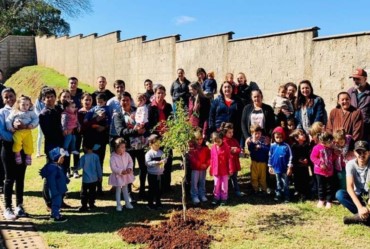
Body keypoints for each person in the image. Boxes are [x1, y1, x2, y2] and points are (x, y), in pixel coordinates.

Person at [110, 92, 146, 199]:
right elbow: (120, 131)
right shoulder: (118, 114)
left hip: (141, 145)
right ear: (120, 102)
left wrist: (144, 129)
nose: (125, 102)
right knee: (129, 169)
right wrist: (135, 131)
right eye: (123, 100)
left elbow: (144, 121)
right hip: (128, 147)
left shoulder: (138, 110)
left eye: (127, 100)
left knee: (143, 168)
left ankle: (143, 190)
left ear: (130, 100)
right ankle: (129, 193)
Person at [39, 87, 70, 209]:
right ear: (43, 100)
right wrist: (61, 132)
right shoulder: (44, 114)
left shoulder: (58, 109)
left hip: (63, 146)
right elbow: (48, 133)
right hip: (53, 148)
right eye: (47, 97)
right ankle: (49, 202)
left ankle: (60, 200)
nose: (50, 99)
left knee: (62, 174)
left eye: (52, 96)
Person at [0, 88, 28, 220]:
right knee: (9, 177)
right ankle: (8, 207)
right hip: (8, 148)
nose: (9, 99)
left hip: (22, 148)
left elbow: (30, 125)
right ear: (3, 99)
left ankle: (19, 205)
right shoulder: (1, 112)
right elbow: (1, 131)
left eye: (11, 96)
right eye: (6, 97)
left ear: (16, 96)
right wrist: (15, 135)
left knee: (20, 177)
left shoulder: (23, 110)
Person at [336, 140, 370, 226]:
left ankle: (359, 218)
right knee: (340, 194)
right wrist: (360, 207)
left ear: (369, 153)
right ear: (354, 152)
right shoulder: (350, 164)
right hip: (358, 195)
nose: (361, 155)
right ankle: (363, 215)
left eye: (364, 152)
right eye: (359, 152)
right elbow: (349, 187)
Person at [148, 84, 173, 192]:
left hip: (167, 138)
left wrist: (169, 133)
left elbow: (171, 121)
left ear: (165, 94)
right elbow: (149, 123)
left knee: (167, 161)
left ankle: (166, 186)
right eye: (158, 93)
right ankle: (156, 187)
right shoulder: (151, 107)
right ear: (155, 94)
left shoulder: (168, 106)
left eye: (162, 93)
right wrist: (154, 137)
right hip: (156, 139)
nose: (160, 95)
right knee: (157, 162)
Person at [84, 93, 111, 194]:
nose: (99, 103)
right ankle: (92, 186)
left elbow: (110, 119)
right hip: (92, 139)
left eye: (101, 102)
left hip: (101, 138)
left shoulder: (107, 109)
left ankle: (99, 186)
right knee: (91, 163)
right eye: (98, 101)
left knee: (100, 162)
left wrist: (105, 127)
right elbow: (87, 118)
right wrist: (89, 119)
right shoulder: (93, 109)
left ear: (105, 101)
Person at [6, 95, 39, 165]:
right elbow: (8, 120)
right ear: (19, 104)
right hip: (18, 131)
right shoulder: (15, 112)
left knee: (29, 143)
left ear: (29, 105)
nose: (25, 106)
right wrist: (10, 127)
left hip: (27, 131)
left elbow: (36, 119)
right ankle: (17, 154)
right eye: (23, 104)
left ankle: (28, 156)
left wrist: (32, 125)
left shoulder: (31, 113)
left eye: (27, 105)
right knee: (17, 142)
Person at [39, 147, 69, 222]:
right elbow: (52, 181)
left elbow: (61, 176)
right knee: (56, 204)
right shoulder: (53, 168)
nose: (63, 159)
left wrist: (66, 180)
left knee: (57, 203)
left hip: (58, 190)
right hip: (56, 191)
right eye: (62, 158)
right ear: (58, 158)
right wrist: (55, 192)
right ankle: (55, 216)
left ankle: (56, 214)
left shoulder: (58, 166)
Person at [310, 132, 336, 208]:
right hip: (319, 172)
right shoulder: (316, 148)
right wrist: (320, 163)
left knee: (329, 187)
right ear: (324, 142)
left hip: (329, 171)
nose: (332, 143)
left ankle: (329, 201)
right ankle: (321, 200)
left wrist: (336, 155)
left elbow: (331, 158)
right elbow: (313, 157)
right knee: (321, 187)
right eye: (330, 142)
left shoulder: (330, 149)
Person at [268, 127, 293, 202]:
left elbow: (291, 156)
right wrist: (270, 166)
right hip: (276, 168)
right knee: (278, 182)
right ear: (274, 137)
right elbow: (270, 156)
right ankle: (278, 194)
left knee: (285, 183)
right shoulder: (272, 146)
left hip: (284, 168)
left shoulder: (286, 146)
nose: (279, 139)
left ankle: (286, 196)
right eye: (277, 137)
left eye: (281, 137)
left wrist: (289, 167)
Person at [109, 138, 134, 211]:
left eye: (124, 147)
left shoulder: (127, 154)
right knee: (118, 190)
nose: (124, 148)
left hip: (125, 176)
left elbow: (130, 162)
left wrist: (129, 168)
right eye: (122, 147)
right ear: (117, 147)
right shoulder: (113, 157)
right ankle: (118, 205)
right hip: (118, 177)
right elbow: (113, 167)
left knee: (125, 189)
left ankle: (127, 203)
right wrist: (121, 171)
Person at [77, 140, 102, 212]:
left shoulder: (83, 157)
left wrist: (74, 168)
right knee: (92, 192)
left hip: (86, 179)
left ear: (84, 148)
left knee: (84, 193)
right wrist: (100, 176)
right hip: (94, 179)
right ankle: (92, 204)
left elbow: (79, 167)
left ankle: (84, 206)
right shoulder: (96, 156)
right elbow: (98, 168)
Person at [220, 122, 244, 197]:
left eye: (232, 132)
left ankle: (236, 190)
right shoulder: (223, 141)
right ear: (225, 133)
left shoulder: (234, 140)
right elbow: (224, 149)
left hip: (234, 162)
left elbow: (239, 149)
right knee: (225, 178)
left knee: (234, 178)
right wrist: (230, 149)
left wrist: (236, 150)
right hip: (227, 163)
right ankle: (225, 191)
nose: (231, 134)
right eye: (229, 132)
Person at [188, 128, 210, 204]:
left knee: (202, 182)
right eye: (197, 139)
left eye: (201, 139)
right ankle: (194, 196)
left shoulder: (205, 148)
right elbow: (192, 158)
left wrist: (206, 164)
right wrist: (199, 165)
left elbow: (209, 157)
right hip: (195, 169)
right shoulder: (192, 148)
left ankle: (202, 194)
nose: (199, 141)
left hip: (203, 169)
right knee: (194, 182)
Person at [347, 68, 370, 142]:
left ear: (365, 79)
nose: (355, 81)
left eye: (358, 79)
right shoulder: (350, 92)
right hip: (352, 130)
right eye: (354, 79)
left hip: (367, 131)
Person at [145, 134, 166, 210]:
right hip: (152, 174)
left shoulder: (161, 152)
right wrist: (156, 163)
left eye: (159, 144)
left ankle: (158, 202)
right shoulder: (149, 153)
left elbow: (165, 158)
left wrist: (164, 161)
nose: (158, 146)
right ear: (151, 144)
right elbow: (148, 163)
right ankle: (150, 203)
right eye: (156, 144)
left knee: (159, 189)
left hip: (160, 174)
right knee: (152, 189)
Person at [247, 124, 270, 195]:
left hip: (262, 162)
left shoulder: (264, 140)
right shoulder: (250, 141)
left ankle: (263, 189)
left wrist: (261, 147)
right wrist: (253, 144)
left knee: (262, 177)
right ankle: (255, 189)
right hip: (254, 162)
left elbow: (268, 149)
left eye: (259, 133)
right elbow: (250, 149)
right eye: (255, 134)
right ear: (252, 133)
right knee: (254, 176)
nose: (257, 135)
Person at [210, 132, 231, 206]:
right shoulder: (213, 148)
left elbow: (229, 159)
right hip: (216, 170)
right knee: (216, 184)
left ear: (222, 139)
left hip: (224, 170)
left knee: (224, 185)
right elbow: (212, 159)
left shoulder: (226, 147)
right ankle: (216, 197)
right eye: (215, 141)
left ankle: (224, 198)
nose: (217, 143)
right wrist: (211, 169)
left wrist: (230, 169)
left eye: (219, 141)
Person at [290, 129, 311, 200]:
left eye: (304, 134)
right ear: (296, 138)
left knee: (305, 179)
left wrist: (307, 160)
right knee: (297, 180)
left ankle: (305, 193)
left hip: (304, 166)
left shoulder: (307, 145)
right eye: (302, 134)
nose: (304, 135)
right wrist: (299, 160)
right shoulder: (294, 146)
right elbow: (293, 156)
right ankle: (298, 192)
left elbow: (308, 155)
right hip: (297, 167)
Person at [35, 86, 47, 158]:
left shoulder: (48, 99)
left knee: (47, 136)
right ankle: (38, 152)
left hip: (48, 120)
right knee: (40, 136)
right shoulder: (38, 100)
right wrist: (40, 116)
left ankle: (46, 150)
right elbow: (36, 110)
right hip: (41, 120)